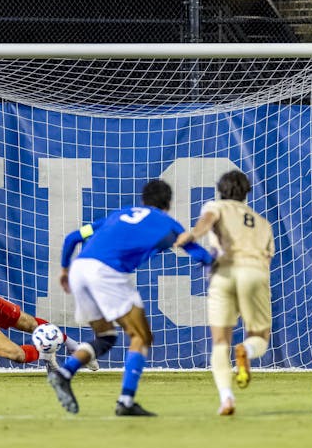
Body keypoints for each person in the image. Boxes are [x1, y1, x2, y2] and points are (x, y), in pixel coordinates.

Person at [47, 178, 213, 417]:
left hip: (79, 269)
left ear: (143, 200)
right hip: (107, 272)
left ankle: (63, 374)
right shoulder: (168, 223)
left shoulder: (118, 215)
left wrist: (64, 269)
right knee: (141, 336)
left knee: (105, 338)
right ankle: (125, 401)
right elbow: (198, 253)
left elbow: (73, 237)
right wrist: (216, 264)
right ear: (168, 203)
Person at [175, 170, 274, 416]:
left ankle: (227, 398)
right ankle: (247, 351)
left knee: (220, 342)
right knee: (260, 336)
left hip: (224, 273)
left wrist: (192, 234)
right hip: (255, 273)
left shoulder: (216, 206)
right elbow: (268, 258)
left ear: (220, 189)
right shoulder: (262, 222)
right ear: (247, 192)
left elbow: (207, 220)